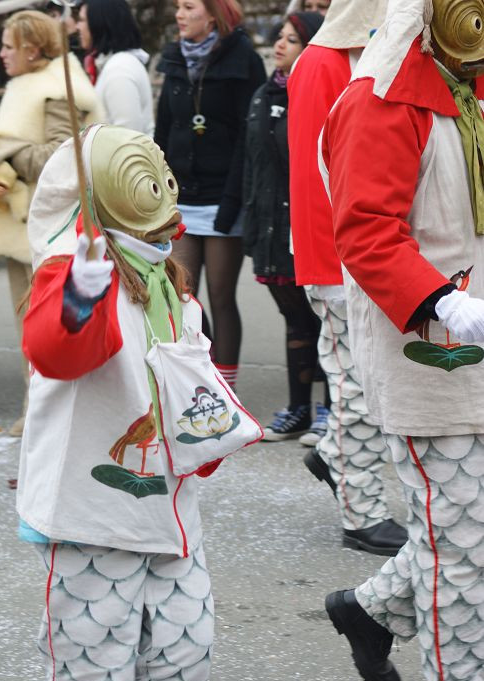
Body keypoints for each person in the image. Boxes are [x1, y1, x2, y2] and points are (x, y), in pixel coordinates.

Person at [16, 124, 225, 681]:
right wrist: (81, 290)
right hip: (91, 512)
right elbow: (59, 347)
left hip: (168, 513)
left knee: (181, 653)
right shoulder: (74, 266)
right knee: (96, 670)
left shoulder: (168, 277)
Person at [321, 0, 484, 681]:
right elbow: (364, 230)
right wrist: (445, 305)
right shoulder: (379, 100)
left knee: (465, 531)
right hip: (427, 354)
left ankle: (367, 607)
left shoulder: (465, 88)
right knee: (460, 540)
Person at [0, 10, 102, 436]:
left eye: (8, 45)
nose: (1, 53)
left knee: (54, 329)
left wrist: (3, 151)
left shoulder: (56, 87)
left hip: (48, 232)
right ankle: (38, 410)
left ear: (33, 49)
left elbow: (60, 156)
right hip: (22, 231)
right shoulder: (25, 84)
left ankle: (53, 416)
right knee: (30, 327)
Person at [287, 0, 408, 555]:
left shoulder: (353, 54)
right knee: (356, 391)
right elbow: (320, 173)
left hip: (353, 251)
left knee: (364, 386)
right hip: (337, 255)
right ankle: (362, 512)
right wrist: (339, 260)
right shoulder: (323, 63)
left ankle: (335, 457)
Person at [155, 0, 266, 391]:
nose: (179, 14)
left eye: (188, 7)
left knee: (220, 295)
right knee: (182, 295)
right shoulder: (174, 60)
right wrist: (159, 193)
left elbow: (246, 138)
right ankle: (196, 380)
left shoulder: (244, 61)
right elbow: (163, 132)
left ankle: (225, 385)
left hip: (224, 197)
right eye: (178, 7)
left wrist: (233, 202)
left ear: (214, 16)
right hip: (183, 196)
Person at [243, 10, 329, 442]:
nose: (279, 44)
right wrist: (247, 220)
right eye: (280, 36)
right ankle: (299, 408)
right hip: (271, 226)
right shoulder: (263, 94)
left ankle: (330, 409)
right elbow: (252, 165)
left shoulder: (317, 92)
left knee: (325, 321)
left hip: (306, 223)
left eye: (291, 39)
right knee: (295, 320)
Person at [75, 0, 154, 136]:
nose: (77, 27)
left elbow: (128, 136)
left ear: (99, 24)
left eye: (82, 20)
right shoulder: (113, 65)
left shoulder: (120, 69)